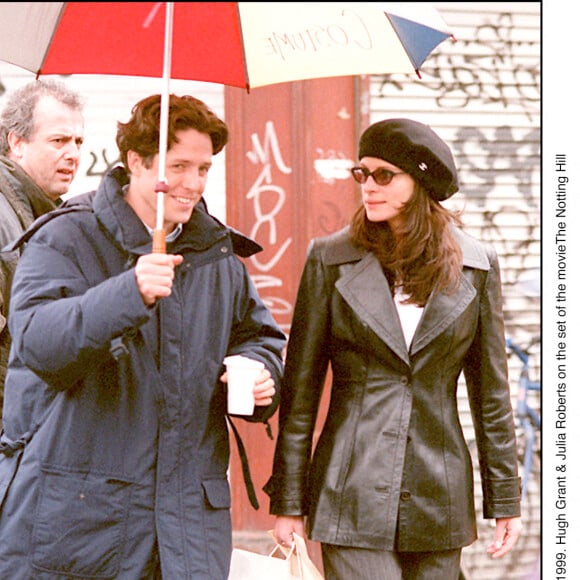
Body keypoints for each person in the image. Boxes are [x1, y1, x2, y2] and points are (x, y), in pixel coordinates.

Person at [0, 93, 286, 579]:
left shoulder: (215, 253)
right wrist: (127, 293)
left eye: (203, 168)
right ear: (137, 161)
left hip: (188, 529)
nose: (192, 183)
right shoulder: (66, 236)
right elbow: (38, 344)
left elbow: (258, 336)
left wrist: (261, 375)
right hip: (85, 525)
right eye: (178, 166)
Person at [265, 118, 522, 579]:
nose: (369, 186)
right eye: (362, 174)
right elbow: (300, 394)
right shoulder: (330, 259)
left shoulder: (476, 267)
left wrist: (504, 500)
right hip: (350, 488)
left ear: (420, 182)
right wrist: (288, 503)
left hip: (438, 494)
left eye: (385, 175)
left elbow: (491, 397)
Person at [0, 79, 85, 427]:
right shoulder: (5, 213)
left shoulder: (41, 215)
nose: (74, 154)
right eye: (59, 141)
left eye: (78, 141)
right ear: (16, 143)